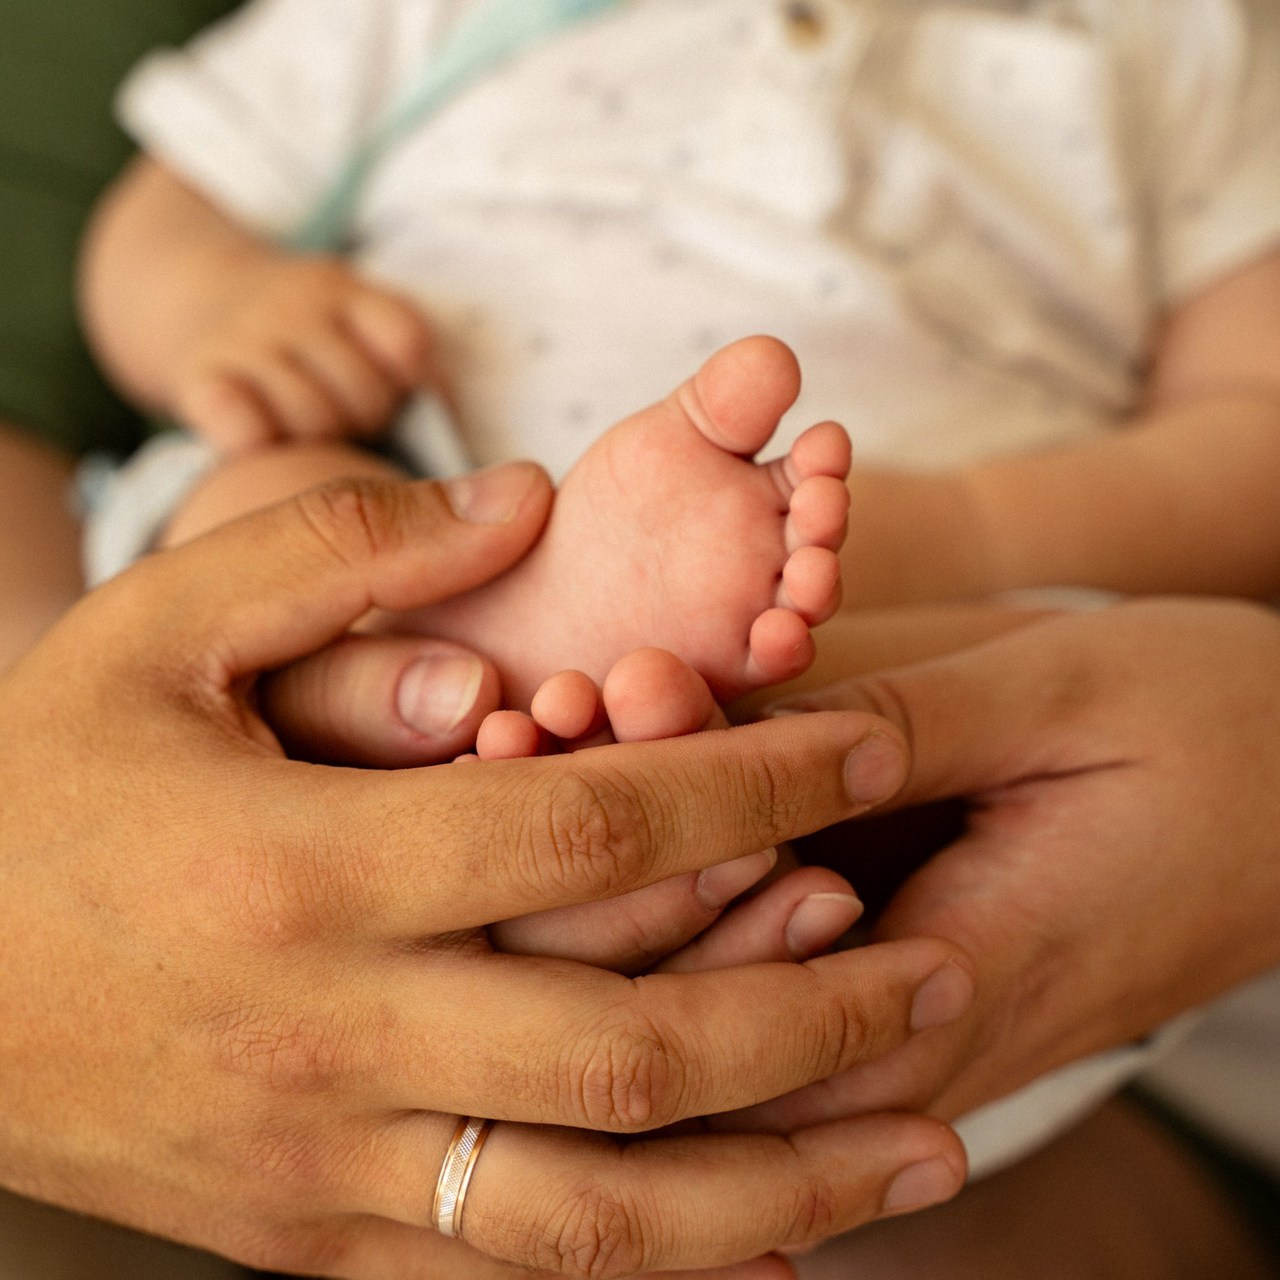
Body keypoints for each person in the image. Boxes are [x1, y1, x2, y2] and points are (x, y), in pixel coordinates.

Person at [72, 0, 1280, 1193]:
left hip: (887, 621)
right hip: (423, 488)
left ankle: (661, 764)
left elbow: (1250, 435)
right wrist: (224, 311)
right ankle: (508, 643)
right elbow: (157, 221)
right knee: (263, 506)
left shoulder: (1180, 42)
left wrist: (963, 525)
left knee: (1055, 660)